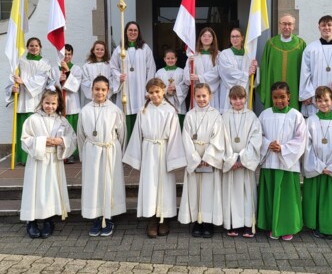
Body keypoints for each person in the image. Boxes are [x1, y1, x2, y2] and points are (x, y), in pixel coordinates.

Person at [123, 78, 187, 238]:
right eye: (151, 92)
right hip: (149, 150)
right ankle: (152, 218)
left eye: (157, 91)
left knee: (164, 184)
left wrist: (173, 159)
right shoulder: (143, 111)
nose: (154, 95)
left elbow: (174, 136)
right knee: (150, 184)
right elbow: (137, 135)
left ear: (163, 91)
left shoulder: (170, 110)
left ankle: (163, 218)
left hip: (165, 150)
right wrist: (136, 158)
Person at [19, 87, 76, 239]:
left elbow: (73, 139)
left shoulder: (62, 121)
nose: (50, 106)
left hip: (54, 161)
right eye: (47, 103)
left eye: (53, 103)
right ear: (41, 102)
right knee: (35, 190)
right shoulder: (33, 119)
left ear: (58, 104)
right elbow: (25, 139)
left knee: (50, 190)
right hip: (38, 161)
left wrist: (61, 141)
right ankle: (31, 221)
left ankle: (48, 220)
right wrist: (42, 141)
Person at [77, 75, 127, 237]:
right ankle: (97, 216)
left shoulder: (114, 110)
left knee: (109, 183)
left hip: (110, 150)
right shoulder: (85, 111)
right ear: (91, 90)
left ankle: (109, 216)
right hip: (92, 150)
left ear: (108, 91)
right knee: (94, 184)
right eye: (97, 89)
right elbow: (80, 135)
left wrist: (117, 152)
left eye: (103, 90)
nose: (100, 93)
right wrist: (85, 154)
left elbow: (122, 134)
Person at [257, 82, 307, 241]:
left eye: (282, 97)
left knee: (287, 198)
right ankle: (272, 225)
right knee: (271, 195)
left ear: (289, 97)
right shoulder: (264, 114)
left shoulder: (296, 115)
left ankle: (287, 227)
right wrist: (267, 144)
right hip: (269, 162)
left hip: (288, 164)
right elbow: (257, 135)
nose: (279, 101)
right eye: (275, 97)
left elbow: (301, 139)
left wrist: (284, 148)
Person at [178, 83, 226, 238]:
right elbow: (185, 138)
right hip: (195, 158)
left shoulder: (216, 115)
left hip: (208, 159)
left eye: (204, 96)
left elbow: (218, 138)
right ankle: (197, 221)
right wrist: (195, 158)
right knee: (195, 190)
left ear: (210, 96)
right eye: (198, 96)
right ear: (194, 96)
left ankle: (208, 222)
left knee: (209, 191)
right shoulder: (190, 115)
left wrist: (207, 158)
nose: (201, 99)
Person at [301, 86, 332, 239]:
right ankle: (315, 226)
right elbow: (307, 146)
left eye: (326, 100)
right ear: (315, 102)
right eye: (319, 100)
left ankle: (330, 227)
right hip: (316, 167)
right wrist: (319, 166)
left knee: (330, 200)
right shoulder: (310, 122)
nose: (323, 104)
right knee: (314, 197)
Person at [221, 85, 262, 238]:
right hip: (231, 163)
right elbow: (221, 140)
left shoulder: (252, 117)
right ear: (230, 100)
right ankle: (232, 224)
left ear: (246, 98)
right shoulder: (224, 116)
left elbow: (256, 139)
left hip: (244, 164)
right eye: (234, 98)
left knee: (247, 194)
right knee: (231, 194)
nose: (238, 101)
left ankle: (247, 224)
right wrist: (231, 159)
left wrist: (242, 158)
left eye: (241, 98)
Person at [6, 37, 53, 165]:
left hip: (38, 101)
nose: (34, 48)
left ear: (40, 47)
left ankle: (37, 154)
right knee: (23, 131)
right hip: (23, 101)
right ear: (27, 47)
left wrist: (24, 82)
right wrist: (13, 88)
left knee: (38, 130)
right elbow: (11, 79)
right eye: (31, 46)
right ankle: (23, 158)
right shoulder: (20, 62)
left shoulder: (45, 63)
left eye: (36, 46)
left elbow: (42, 79)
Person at [299, 15, 332, 118]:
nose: (326, 28)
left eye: (329, 25)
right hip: (315, 95)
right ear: (319, 27)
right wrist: (307, 94)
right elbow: (304, 72)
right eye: (323, 25)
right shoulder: (310, 48)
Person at [111, 21, 156, 139]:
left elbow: (151, 69)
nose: (133, 32)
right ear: (125, 32)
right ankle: (125, 147)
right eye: (130, 30)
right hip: (125, 88)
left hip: (141, 89)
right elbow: (113, 67)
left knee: (141, 116)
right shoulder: (119, 49)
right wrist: (118, 76)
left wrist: (149, 91)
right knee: (125, 117)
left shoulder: (145, 48)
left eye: (135, 30)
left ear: (139, 32)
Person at [259, 13, 306, 110]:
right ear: (279, 25)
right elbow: (264, 68)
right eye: (284, 24)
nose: (286, 27)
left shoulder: (301, 45)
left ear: (293, 26)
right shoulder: (271, 44)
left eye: (289, 24)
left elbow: (306, 71)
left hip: (294, 87)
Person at [52, 44, 82, 162]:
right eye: (65, 54)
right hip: (60, 103)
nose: (67, 57)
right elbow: (50, 86)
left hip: (72, 103)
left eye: (69, 54)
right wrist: (58, 81)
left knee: (72, 129)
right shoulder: (54, 69)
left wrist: (68, 71)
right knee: (60, 129)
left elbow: (76, 86)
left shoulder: (77, 69)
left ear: (72, 55)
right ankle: (61, 152)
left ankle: (71, 154)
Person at [217, 28, 258, 113]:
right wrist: (246, 74)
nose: (234, 39)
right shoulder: (224, 54)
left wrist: (255, 69)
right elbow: (227, 72)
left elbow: (253, 78)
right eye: (232, 37)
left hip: (245, 90)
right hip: (228, 91)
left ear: (242, 38)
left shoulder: (249, 55)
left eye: (237, 36)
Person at [184, 27, 221, 110]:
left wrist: (199, 77)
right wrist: (189, 65)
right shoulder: (193, 55)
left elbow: (218, 72)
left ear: (213, 38)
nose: (206, 38)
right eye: (204, 36)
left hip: (212, 92)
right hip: (197, 93)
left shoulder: (219, 55)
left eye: (209, 36)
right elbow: (187, 78)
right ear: (200, 38)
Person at [155, 49, 189, 127]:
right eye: (168, 58)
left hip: (178, 105)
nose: (170, 60)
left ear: (176, 59)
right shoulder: (159, 72)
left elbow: (186, 86)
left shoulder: (182, 72)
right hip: (164, 102)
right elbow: (156, 87)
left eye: (172, 58)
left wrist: (176, 88)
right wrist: (166, 90)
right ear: (164, 59)